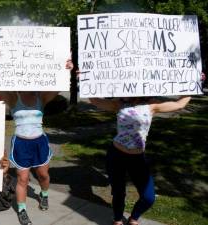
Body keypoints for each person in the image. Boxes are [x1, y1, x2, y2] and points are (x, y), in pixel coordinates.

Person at [87, 72, 205, 225]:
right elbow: (95, 101)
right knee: (118, 193)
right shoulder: (119, 104)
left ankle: (133, 219)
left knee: (148, 197)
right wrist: (83, 79)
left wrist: (196, 83)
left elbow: (179, 104)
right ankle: (117, 220)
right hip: (116, 155)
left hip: (137, 158)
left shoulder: (152, 106)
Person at [0, 58, 74, 225]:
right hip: (21, 144)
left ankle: (44, 194)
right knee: (22, 179)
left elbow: (59, 86)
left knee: (43, 175)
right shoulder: (13, 98)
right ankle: (22, 209)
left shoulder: (42, 97)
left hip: (39, 143)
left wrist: (66, 70)